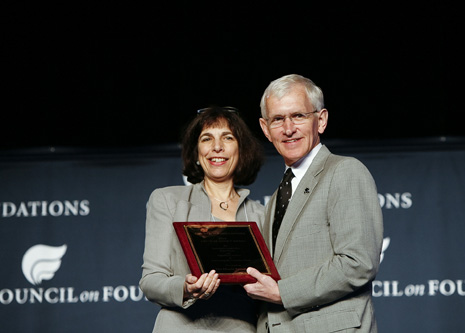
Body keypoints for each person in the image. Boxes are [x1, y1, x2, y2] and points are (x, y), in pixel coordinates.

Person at [243, 74, 384, 332]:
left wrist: (283, 291)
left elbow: (358, 263)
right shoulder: (277, 197)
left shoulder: (345, 171)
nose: (288, 129)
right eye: (278, 119)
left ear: (321, 120)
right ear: (265, 129)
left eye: (298, 116)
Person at [140, 106, 265, 332]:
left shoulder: (262, 215)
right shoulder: (168, 200)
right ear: (197, 152)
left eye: (227, 137)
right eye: (207, 138)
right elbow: (151, 281)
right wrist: (185, 288)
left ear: (242, 149)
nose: (217, 147)